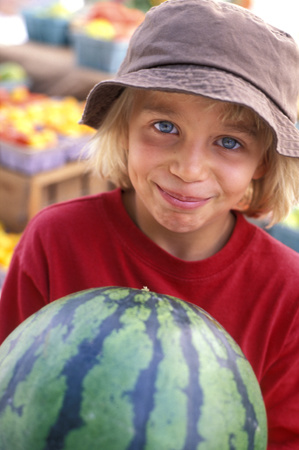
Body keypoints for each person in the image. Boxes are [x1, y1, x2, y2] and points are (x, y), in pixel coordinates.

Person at [1, 0, 299, 447]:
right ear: (123, 130)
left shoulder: (286, 291)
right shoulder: (54, 240)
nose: (189, 168)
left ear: (262, 162)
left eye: (229, 141)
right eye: (164, 126)